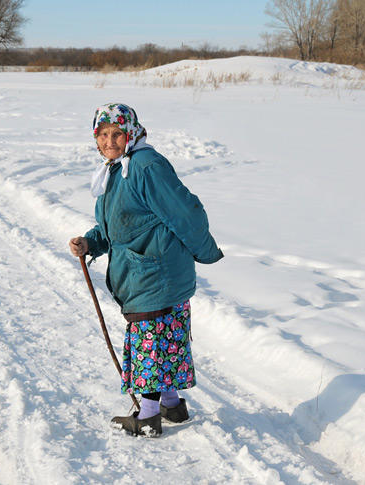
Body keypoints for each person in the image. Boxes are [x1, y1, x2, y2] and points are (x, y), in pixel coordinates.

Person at [69, 103, 223, 437]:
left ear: (132, 134)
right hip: (146, 269)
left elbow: (187, 213)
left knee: (150, 342)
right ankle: (171, 404)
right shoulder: (116, 168)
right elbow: (119, 224)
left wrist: (204, 250)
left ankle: (149, 416)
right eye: (103, 134)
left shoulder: (146, 166)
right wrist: (91, 243)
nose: (110, 141)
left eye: (117, 134)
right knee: (166, 340)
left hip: (157, 270)